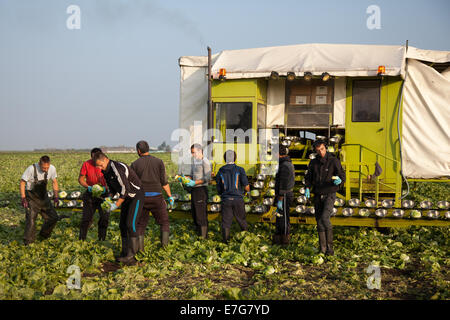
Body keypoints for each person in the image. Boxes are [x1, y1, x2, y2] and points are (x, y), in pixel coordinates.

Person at [93, 152, 144, 265]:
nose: (99, 168)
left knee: (131, 224)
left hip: (136, 195)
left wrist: (116, 205)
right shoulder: (105, 171)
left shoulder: (116, 168)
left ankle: (134, 255)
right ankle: (125, 252)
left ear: (105, 159)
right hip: (126, 198)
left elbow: (125, 188)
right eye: (97, 166)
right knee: (122, 225)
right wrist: (109, 199)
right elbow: (112, 189)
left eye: (100, 165)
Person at [304, 140, 345, 256]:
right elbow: (308, 177)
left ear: (325, 148)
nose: (321, 152)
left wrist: (340, 181)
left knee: (325, 218)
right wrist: (307, 187)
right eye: (318, 150)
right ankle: (322, 249)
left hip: (330, 193)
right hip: (318, 194)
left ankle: (330, 249)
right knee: (319, 221)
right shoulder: (313, 163)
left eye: (322, 149)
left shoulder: (333, 161)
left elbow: (342, 174)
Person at [131, 140, 174, 249]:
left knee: (140, 224)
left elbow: (132, 184)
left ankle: (140, 251)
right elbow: (164, 182)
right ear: (148, 149)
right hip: (157, 197)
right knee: (164, 222)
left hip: (142, 198)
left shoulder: (135, 164)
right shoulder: (159, 162)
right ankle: (165, 249)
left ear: (138, 151)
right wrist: (170, 196)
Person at [20, 155, 60, 245]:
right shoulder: (31, 169)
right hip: (32, 198)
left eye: (47, 167)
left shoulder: (52, 169)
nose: (46, 169)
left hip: (43, 198)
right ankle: (28, 242)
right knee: (31, 220)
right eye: (43, 167)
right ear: (39, 164)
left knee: (53, 217)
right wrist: (23, 198)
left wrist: (56, 196)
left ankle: (43, 235)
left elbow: (54, 182)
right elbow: (22, 182)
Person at [216, 150, 250, 243]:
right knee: (241, 220)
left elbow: (219, 188)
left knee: (226, 222)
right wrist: (248, 192)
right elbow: (246, 186)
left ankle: (226, 242)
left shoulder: (220, 170)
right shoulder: (240, 169)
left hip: (226, 199)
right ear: (235, 158)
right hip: (238, 199)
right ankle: (246, 240)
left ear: (224, 159)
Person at [78, 147, 109, 241]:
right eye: (93, 158)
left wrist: (106, 188)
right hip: (90, 193)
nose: (95, 161)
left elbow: (113, 180)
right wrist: (88, 187)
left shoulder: (106, 164)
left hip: (104, 194)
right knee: (86, 218)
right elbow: (81, 179)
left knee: (104, 218)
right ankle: (82, 239)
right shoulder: (86, 164)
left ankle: (102, 239)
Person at [183, 144, 212, 239]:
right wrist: (185, 179)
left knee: (201, 215)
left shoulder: (205, 161)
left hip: (201, 189)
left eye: (194, 152)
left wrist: (195, 182)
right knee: (195, 214)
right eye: (191, 152)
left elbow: (207, 178)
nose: (192, 154)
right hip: (194, 190)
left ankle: (204, 237)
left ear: (200, 151)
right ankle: (199, 235)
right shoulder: (195, 162)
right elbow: (192, 175)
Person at [273, 145, 295, 245]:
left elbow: (284, 182)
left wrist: (281, 197)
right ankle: (278, 238)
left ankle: (285, 239)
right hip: (282, 194)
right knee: (280, 216)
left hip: (285, 194)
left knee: (284, 217)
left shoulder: (285, 165)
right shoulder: (284, 164)